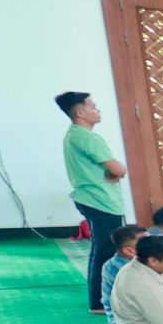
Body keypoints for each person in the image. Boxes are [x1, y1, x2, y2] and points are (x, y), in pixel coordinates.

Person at [58, 91, 128, 310]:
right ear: (80, 112)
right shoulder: (87, 137)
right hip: (101, 200)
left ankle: (97, 299)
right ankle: (98, 302)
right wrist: (118, 170)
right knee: (106, 251)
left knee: (100, 249)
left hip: (91, 198)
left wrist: (114, 170)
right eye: (93, 107)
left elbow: (112, 169)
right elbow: (118, 169)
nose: (97, 111)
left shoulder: (74, 134)